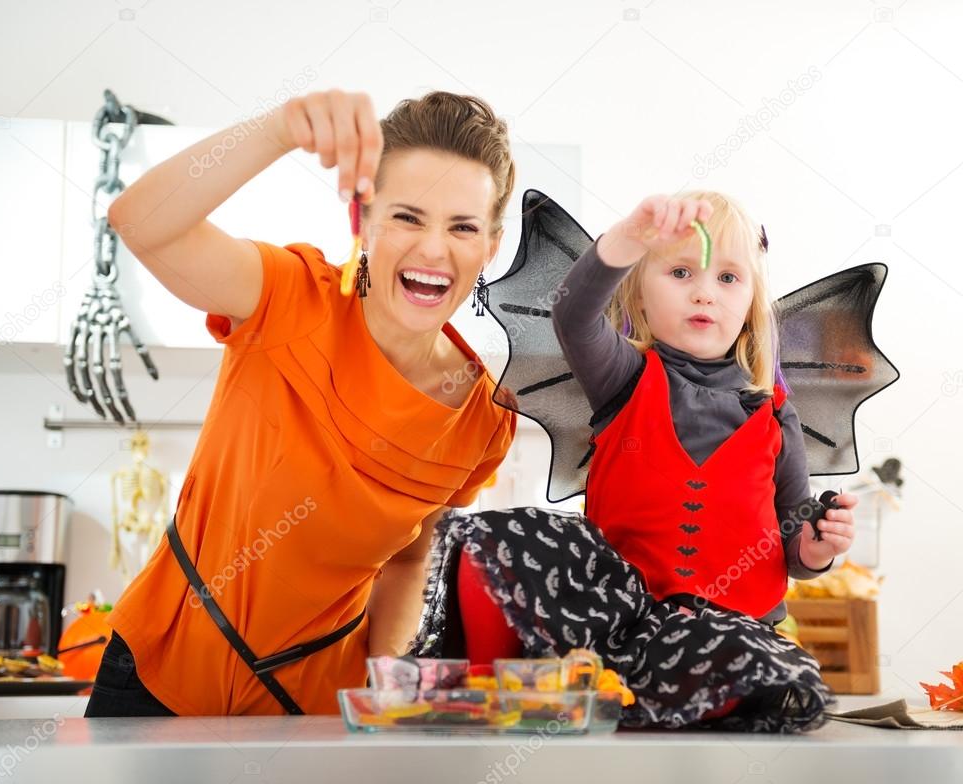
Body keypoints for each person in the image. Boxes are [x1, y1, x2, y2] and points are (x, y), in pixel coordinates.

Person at [84, 90, 517, 717]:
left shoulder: (482, 417)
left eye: (463, 227)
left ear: (491, 245)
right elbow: (140, 221)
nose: (433, 250)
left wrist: (384, 684)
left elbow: (408, 559)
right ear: (364, 217)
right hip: (161, 674)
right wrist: (279, 127)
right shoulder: (289, 299)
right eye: (408, 217)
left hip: (314, 708)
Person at [412, 193, 859, 732]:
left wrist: (814, 549)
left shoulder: (775, 415)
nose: (703, 292)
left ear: (750, 306)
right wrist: (626, 239)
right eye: (679, 271)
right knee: (494, 536)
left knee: (735, 666)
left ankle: (631, 696)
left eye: (727, 279)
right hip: (612, 619)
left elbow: (791, 536)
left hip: (725, 630)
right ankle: (493, 688)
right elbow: (573, 316)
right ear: (640, 299)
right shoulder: (623, 377)